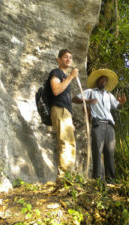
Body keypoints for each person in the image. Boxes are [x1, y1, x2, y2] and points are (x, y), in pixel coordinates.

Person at [72, 69, 126, 183]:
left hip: (110, 126)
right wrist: (89, 100)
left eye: (106, 80)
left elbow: (117, 107)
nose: (104, 82)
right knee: (97, 151)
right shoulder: (90, 92)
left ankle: (111, 181)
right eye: (102, 79)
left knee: (110, 153)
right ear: (97, 81)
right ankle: (99, 181)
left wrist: (121, 103)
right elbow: (75, 99)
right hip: (98, 124)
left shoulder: (109, 95)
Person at [48, 49, 78, 179]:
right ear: (59, 59)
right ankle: (65, 177)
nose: (68, 59)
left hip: (65, 113)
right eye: (65, 57)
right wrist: (71, 76)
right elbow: (55, 90)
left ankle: (68, 175)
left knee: (70, 143)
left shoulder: (65, 77)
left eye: (70, 57)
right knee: (65, 143)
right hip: (59, 109)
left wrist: (70, 121)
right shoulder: (56, 73)